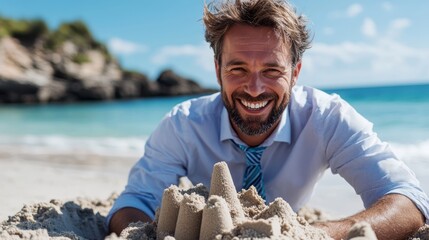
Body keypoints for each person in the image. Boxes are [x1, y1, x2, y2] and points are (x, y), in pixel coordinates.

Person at [107, 0, 428, 239]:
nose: (254, 88)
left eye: (272, 70)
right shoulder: (183, 124)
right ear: (217, 69)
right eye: (238, 69)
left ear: (295, 72)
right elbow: (134, 202)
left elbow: (407, 198)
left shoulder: (328, 117)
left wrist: (315, 234)